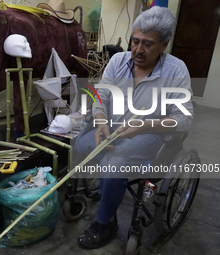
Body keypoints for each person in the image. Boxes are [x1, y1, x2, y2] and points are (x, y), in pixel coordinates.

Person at [74, 6, 194, 249]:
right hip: (112, 129)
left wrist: (144, 126)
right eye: (135, 41)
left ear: (164, 44)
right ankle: (111, 189)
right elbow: (101, 97)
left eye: (147, 44)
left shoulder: (176, 70)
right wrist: (100, 122)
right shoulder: (118, 61)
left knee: (114, 164)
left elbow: (184, 119)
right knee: (81, 144)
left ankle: (105, 221)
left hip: (149, 134)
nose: (138, 50)